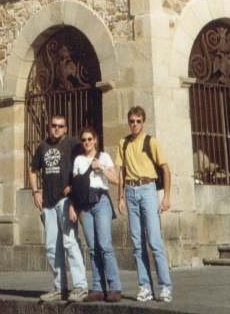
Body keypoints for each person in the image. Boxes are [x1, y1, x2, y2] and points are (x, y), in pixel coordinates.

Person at [116, 106, 173, 303]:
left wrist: (166, 197)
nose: (134, 125)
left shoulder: (151, 142)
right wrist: (120, 197)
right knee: (137, 243)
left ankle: (165, 286)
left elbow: (166, 170)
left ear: (143, 122)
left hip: (148, 189)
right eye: (131, 121)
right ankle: (145, 286)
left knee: (155, 241)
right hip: (130, 191)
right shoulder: (123, 143)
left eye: (138, 121)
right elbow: (121, 172)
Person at [29, 114, 88, 303]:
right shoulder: (42, 146)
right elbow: (32, 170)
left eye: (60, 126)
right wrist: (35, 191)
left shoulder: (73, 144)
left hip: (65, 200)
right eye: (53, 125)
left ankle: (80, 286)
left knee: (70, 243)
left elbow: (85, 163)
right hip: (48, 202)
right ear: (49, 127)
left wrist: (75, 189)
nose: (56, 128)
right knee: (52, 247)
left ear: (66, 128)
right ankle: (59, 287)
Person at [68, 126, 122, 303]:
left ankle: (114, 287)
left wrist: (101, 168)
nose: (86, 143)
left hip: (101, 202)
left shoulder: (104, 156)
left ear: (95, 140)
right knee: (92, 248)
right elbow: (75, 187)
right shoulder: (78, 160)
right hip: (85, 206)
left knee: (105, 245)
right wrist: (73, 207)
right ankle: (98, 287)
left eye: (89, 139)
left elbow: (116, 180)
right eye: (84, 140)